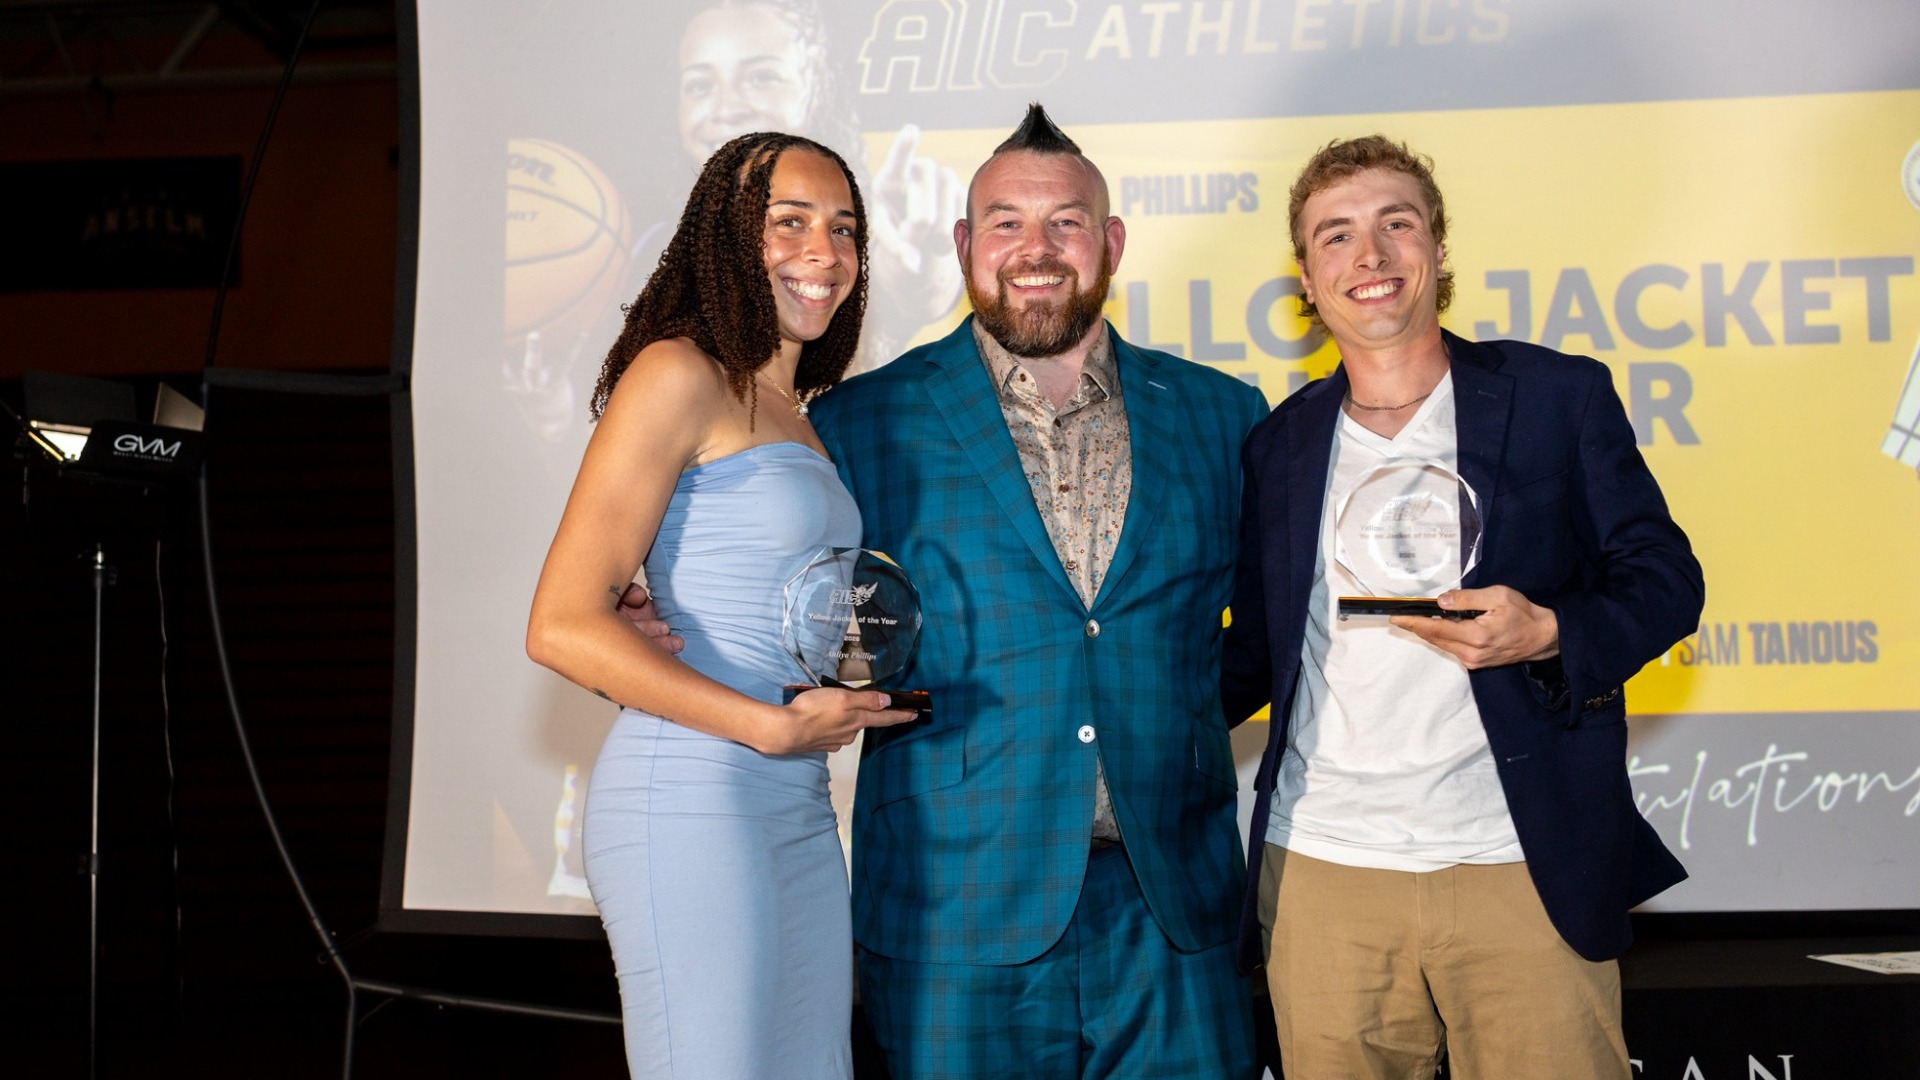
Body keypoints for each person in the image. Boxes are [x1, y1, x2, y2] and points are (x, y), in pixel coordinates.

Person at [1221, 135, 1705, 1079]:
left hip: (1519, 860)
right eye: (1337, 237)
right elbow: (1255, 655)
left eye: (1396, 225)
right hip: (1325, 871)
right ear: (1308, 283)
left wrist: (1551, 631)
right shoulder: (1276, 448)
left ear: (1437, 251)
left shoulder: (1557, 397)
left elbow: (1665, 579)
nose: (1370, 256)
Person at [812, 104, 1265, 1078]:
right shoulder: (861, 421)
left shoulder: (1224, 417)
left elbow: (1260, 636)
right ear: (967, 244)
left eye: (1066, 221)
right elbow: (810, 625)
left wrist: (1155, 717)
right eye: (1008, 222)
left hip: (1172, 917)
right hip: (952, 920)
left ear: (1110, 243)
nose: (1038, 248)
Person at [525, 131, 916, 1079]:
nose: (825, 253)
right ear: (728, 237)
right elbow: (560, 623)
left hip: (791, 802)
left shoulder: (800, 413)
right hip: (692, 795)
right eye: (790, 223)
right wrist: (763, 725)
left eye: (844, 229)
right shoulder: (678, 371)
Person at [667, 0, 963, 371]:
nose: (727, 106)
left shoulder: (801, 389)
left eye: (761, 77)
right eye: (700, 84)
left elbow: (913, 287)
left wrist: (919, 279)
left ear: (816, 87)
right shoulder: (676, 367)